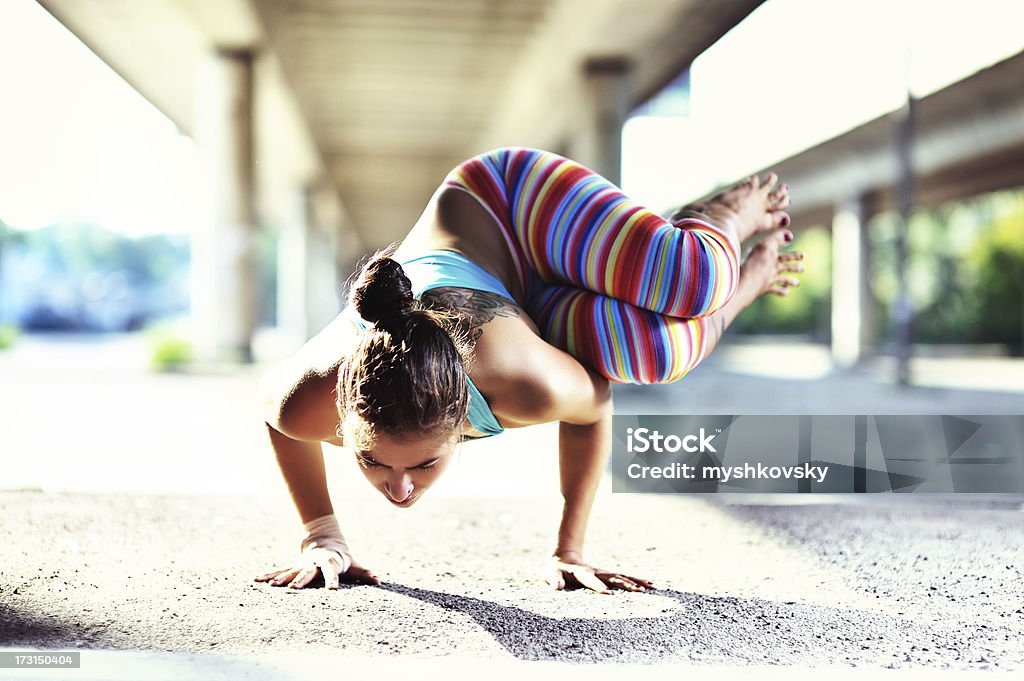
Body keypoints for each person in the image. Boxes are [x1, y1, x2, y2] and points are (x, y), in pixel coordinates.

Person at [255, 147, 804, 594]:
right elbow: (278, 423)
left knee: (695, 281)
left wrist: (570, 548)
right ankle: (751, 279)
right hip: (533, 300)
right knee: (656, 356)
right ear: (345, 421)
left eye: (423, 464)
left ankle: (722, 217)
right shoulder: (310, 397)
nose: (398, 489)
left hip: (508, 207)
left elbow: (593, 406)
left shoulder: (519, 381)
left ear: (460, 419)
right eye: (371, 460)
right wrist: (321, 535)